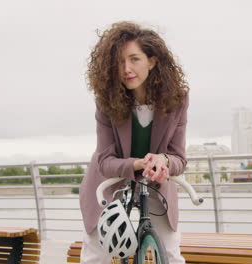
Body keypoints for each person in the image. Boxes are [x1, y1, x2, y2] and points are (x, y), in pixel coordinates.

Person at [79, 21, 189, 264]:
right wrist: (139, 163)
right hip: (109, 183)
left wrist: (164, 161)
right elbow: (105, 161)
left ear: (152, 61)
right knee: (96, 255)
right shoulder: (106, 100)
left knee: (170, 253)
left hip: (156, 183)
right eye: (119, 62)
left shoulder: (177, 99)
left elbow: (179, 158)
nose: (126, 69)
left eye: (134, 59)